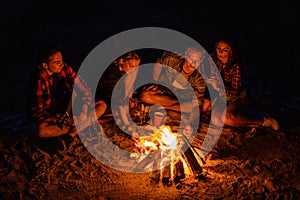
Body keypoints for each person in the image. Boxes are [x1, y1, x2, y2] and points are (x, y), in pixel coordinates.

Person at [203, 36, 280, 131]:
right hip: (220, 98)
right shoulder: (212, 59)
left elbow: (235, 92)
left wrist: (218, 87)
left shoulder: (236, 67)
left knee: (227, 118)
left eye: (225, 50)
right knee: (210, 114)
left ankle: (263, 121)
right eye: (218, 49)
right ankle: (245, 122)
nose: (220, 52)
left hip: (237, 98)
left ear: (231, 51)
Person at [30, 43, 107, 138]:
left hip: (70, 110)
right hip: (56, 117)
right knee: (41, 130)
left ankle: (72, 132)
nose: (61, 64)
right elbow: (38, 112)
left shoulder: (65, 69)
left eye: (61, 60)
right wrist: (65, 120)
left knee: (101, 105)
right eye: (57, 62)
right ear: (45, 65)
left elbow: (84, 89)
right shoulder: (39, 80)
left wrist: (84, 108)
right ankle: (79, 128)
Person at [140, 46, 219, 130]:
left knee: (203, 105)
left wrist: (191, 124)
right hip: (165, 92)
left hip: (184, 98)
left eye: (197, 60)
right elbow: (159, 62)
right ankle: (175, 109)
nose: (193, 63)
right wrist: (154, 81)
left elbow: (196, 104)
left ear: (201, 60)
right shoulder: (173, 59)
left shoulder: (200, 77)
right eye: (191, 59)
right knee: (145, 96)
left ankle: (163, 108)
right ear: (186, 55)